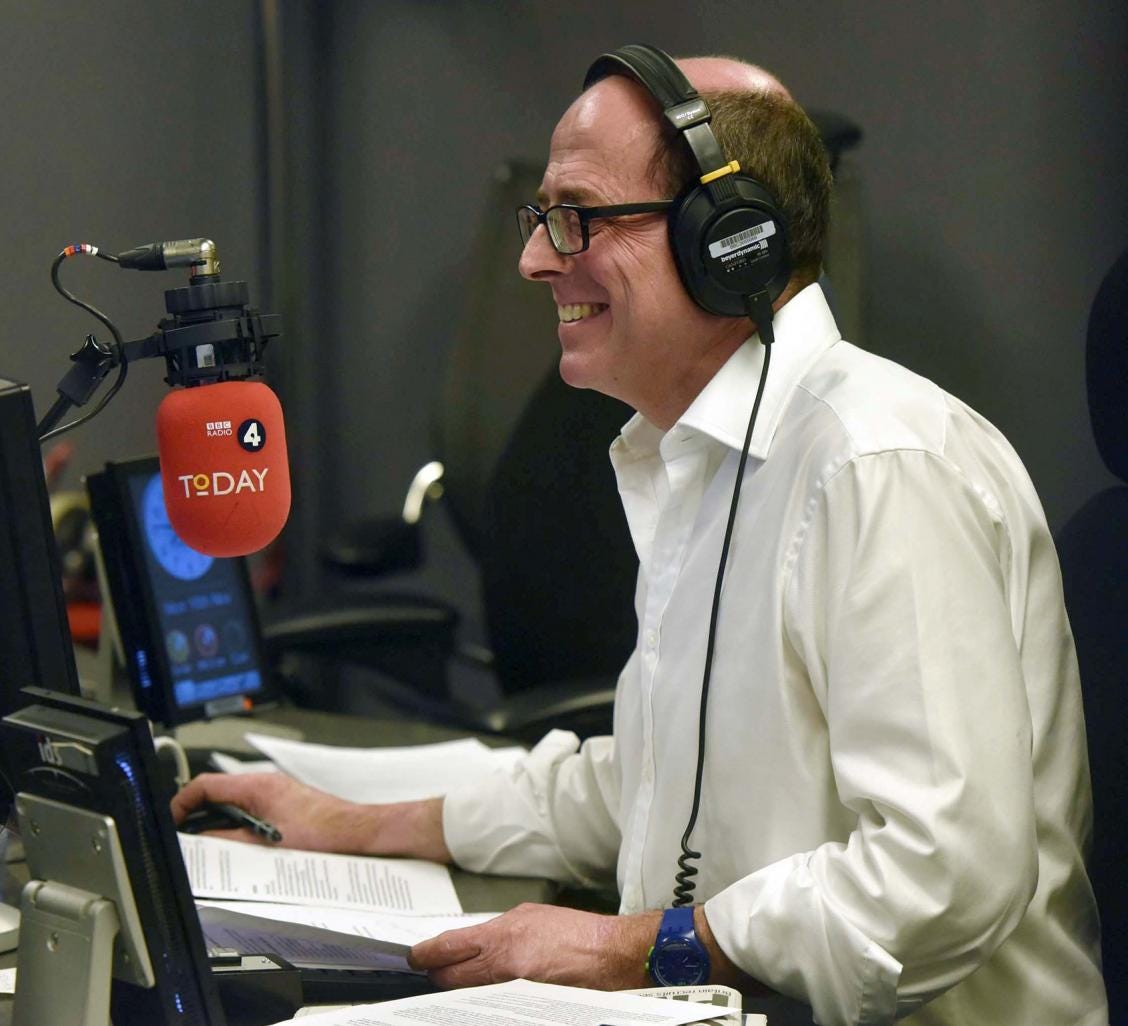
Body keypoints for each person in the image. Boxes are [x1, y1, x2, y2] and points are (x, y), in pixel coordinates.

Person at [173, 49, 1107, 1026]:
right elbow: (651, 783)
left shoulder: (880, 465)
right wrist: (357, 824)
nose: (534, 259)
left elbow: (942, 878)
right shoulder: (702, 457)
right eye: (540, 218)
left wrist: (626, 950)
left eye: (575, 215)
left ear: (728, 240)